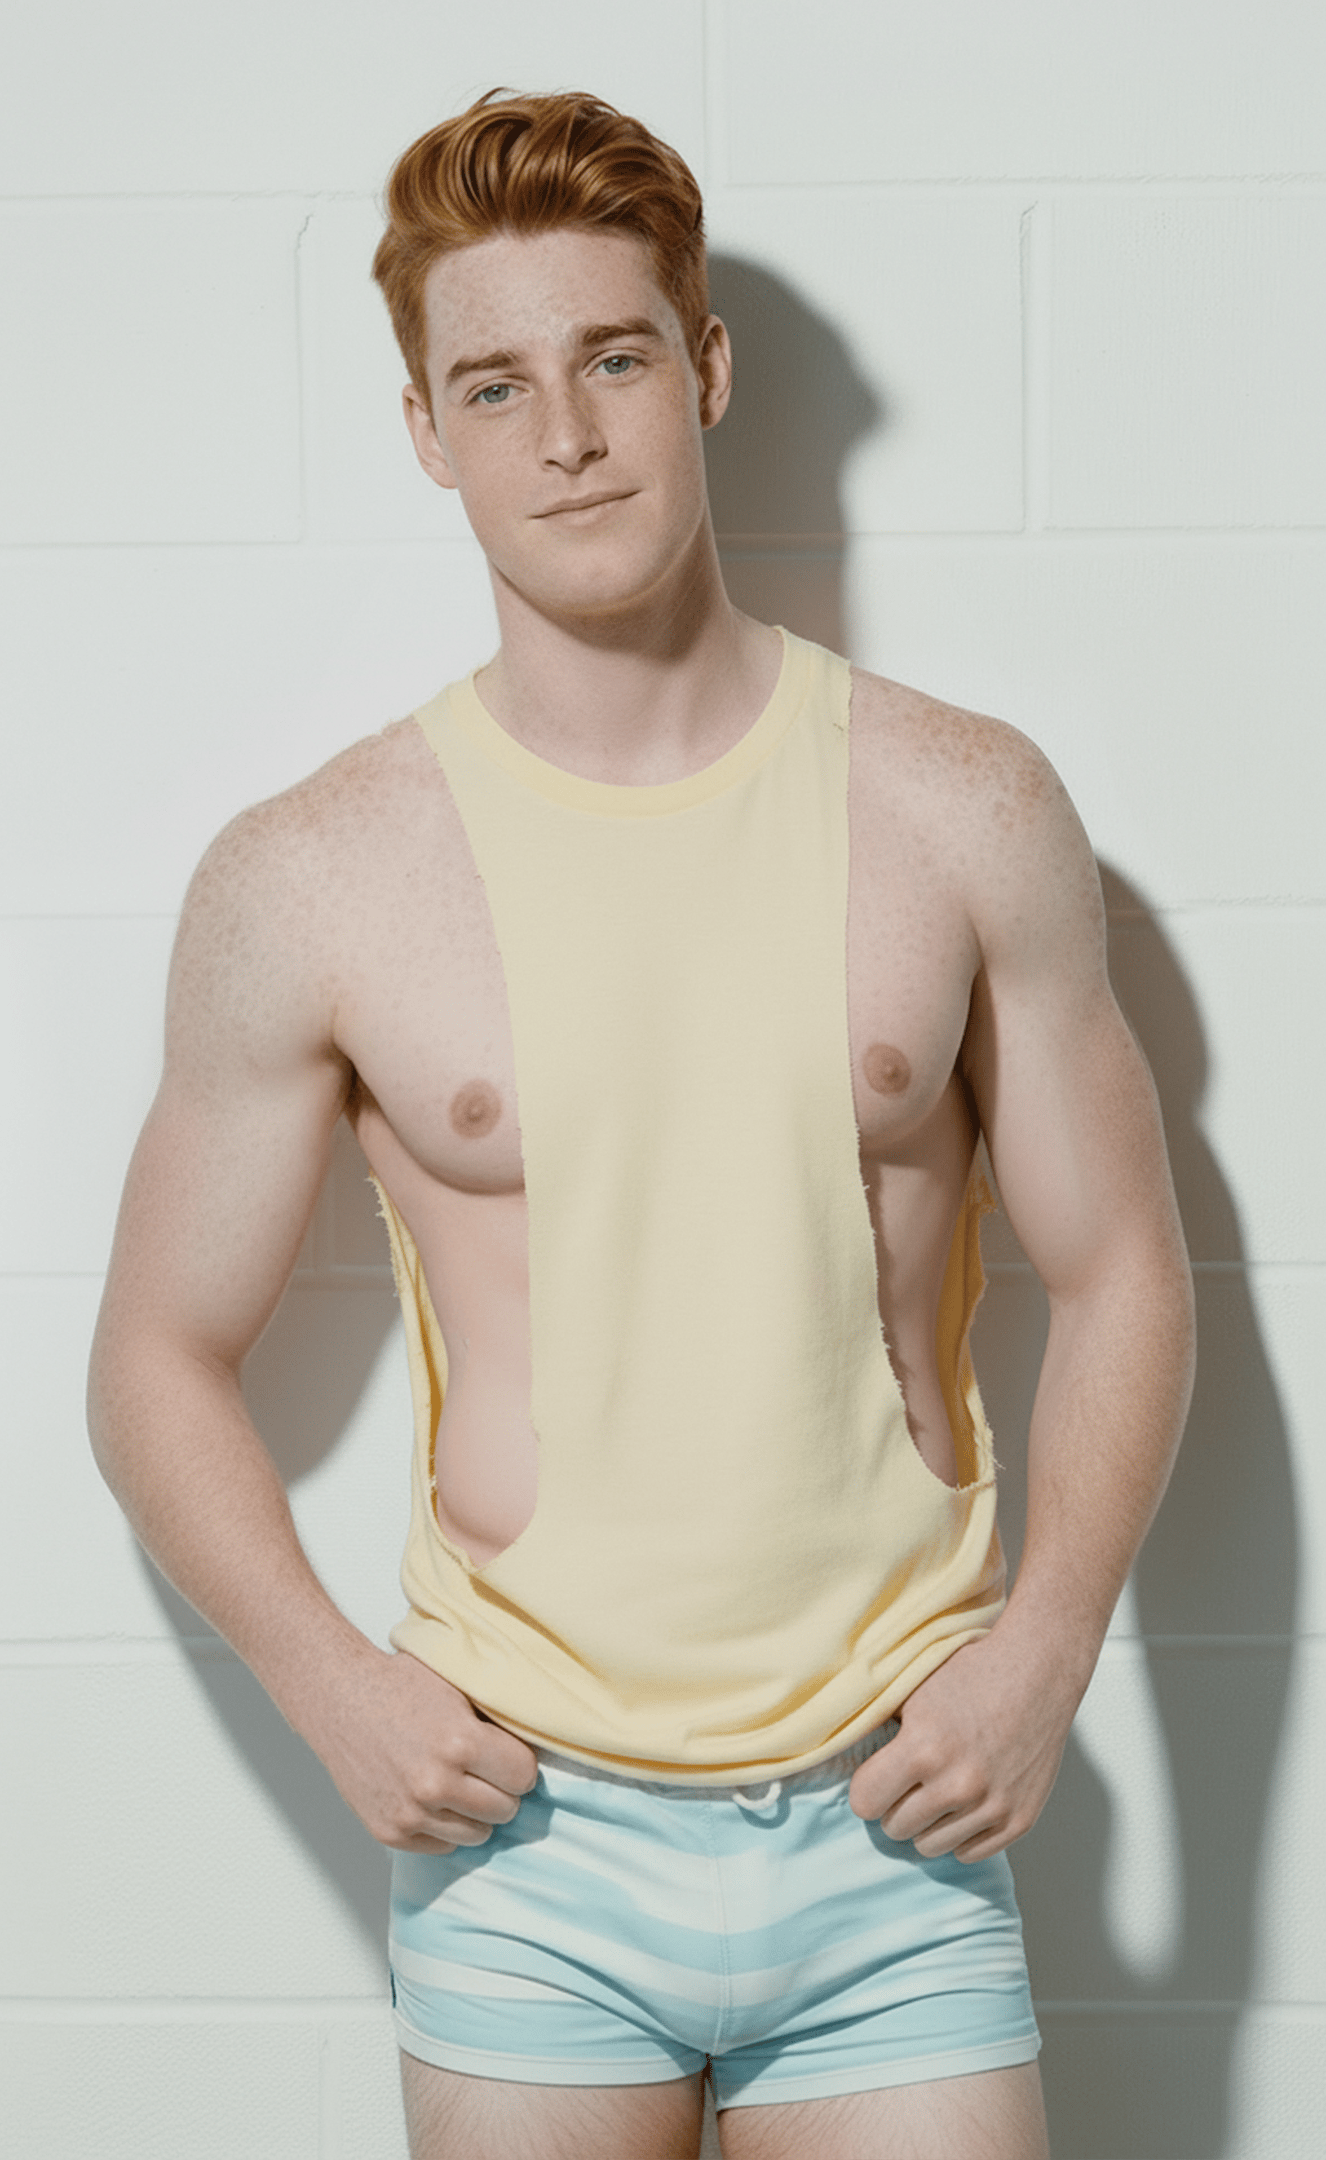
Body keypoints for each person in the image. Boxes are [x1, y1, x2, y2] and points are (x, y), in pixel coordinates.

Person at [87, 89, 1195, 2160]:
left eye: (612, 360)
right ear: (427, 432)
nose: (567, 437)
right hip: (528, 1839)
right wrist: (332, 1687)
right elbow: (151, 1352)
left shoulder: (966, 806)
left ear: (706, 370)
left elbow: (1124, 1261)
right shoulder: (312, 877)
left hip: (896, 1809)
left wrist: (1049, 1648)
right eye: (494, 386)